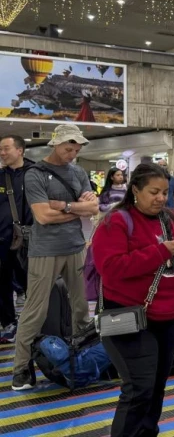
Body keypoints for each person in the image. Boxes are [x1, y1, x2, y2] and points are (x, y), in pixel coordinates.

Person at [93, 163, 174, 437]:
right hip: (129, 315)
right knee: (139, 387)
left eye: (164, 192)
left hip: (170, 317)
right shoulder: (117, 221)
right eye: (153, 192)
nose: (160, 198)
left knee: (156, 385)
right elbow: (110, 267)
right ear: (135, 190)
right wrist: (160, 252)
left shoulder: (172, 218)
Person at [12, 124, 99, 391]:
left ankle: (79, 360)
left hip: (75, 247)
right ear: (55, 144)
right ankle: (21, 369)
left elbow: (94, 207)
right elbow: (42, 216)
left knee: (82, 307)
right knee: (35, 311)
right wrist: (78, 209)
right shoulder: (35, 174)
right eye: (68, 148)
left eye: (76, 149)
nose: (72, 154)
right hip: (44, 250)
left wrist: (63, 205)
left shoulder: (78, 172)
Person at [0, 135, 34, 343]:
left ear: (20, 150)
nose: (2, 153)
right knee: (2, 283)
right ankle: (9, 324)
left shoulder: (36, 173)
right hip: (3, 240)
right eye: (0, 150)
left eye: (6, 149)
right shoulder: (0, 176)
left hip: (31, 240)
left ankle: (34, 324)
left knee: (33, 284)